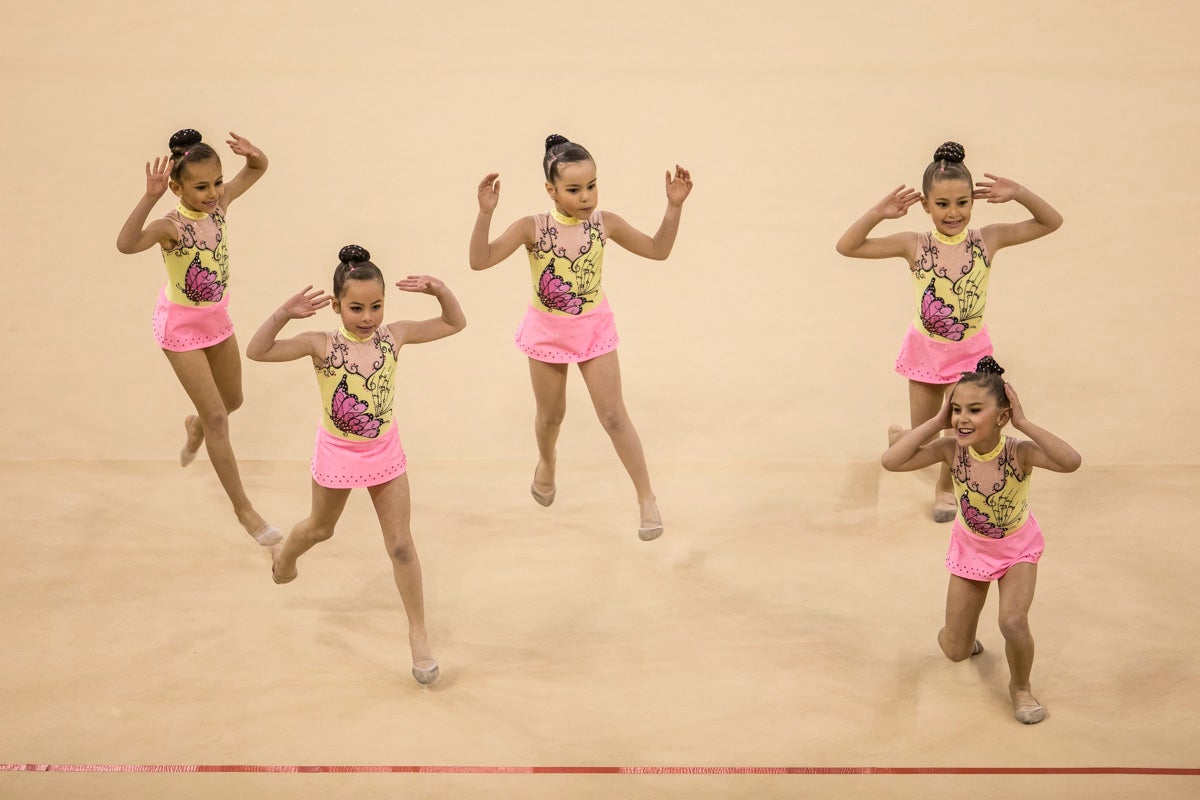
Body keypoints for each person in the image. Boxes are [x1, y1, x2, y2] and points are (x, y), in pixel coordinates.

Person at [246, 245, 466, 686]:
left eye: (376, 306)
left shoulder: (394, 336)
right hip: (338, 452)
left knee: (401, 545)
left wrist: (441, 290)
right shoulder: (321, 344)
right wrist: (283, 314)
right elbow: (257, 351)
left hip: (384, 451)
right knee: (320, 529)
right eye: (356, 308)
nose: (367, 317)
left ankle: (418, 635)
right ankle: (285, 554)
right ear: (336, 305)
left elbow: (452, 323)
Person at [469, 134, 693, 540]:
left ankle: (646, 497)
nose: (586, 196)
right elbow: (479, 261)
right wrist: (485, 213)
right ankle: (547, 461)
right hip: (547, 333)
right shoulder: (532, 228)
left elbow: (658, 250)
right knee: (551, 417)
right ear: (551, 190)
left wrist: (673, 207)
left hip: (593, 328)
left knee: (614, 416)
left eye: (591, 186)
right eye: (573, 190)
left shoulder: (605, 223)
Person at [836, 141, 1063, 522]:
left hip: (970, 353)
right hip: (926, 351)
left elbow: (1050, 222)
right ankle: (903, 437)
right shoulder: (914, 244)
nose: (953, 212)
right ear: (926, 205)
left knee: (961, 429)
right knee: (925, 433)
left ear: (973, 202)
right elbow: (848, 246)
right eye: (942, 204)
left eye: (962, 202)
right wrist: (878, 213)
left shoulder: (987, 239)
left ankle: (945, 487)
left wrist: (1020, 193)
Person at [881, 356, 1080, 724]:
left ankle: (1021, 687)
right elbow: (891, 462)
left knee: (1013, 622)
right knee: (954, 651)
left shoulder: (1018, 453)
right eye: (957, 409)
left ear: (1002, 416)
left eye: (974, 410)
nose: (962, 418)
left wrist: (1024, 423)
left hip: (1016, 549)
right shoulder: (951, 449)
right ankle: (964, 638)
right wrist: (937, 422)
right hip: (971, 549)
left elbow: (1071, 461)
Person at [116, 129, 279, 547]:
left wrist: (251, 153)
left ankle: (194, 426)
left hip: (216, 319)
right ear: (177, 188)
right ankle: (245, 511)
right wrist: (149, 198)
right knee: (219, 418)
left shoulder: (219, 207)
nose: (213, 193)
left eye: (217, 182)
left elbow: (258, 168)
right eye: (201, 186)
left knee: (232, 402)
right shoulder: (170, 227)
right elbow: (126, 244)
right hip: (181, 328)